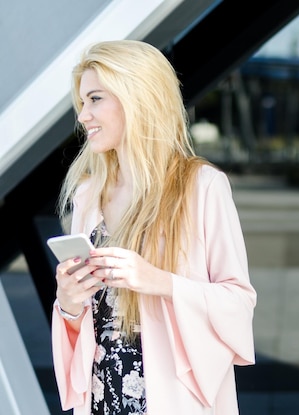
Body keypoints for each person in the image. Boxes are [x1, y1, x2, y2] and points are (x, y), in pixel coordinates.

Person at [50, 39, 256, 415]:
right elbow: (81, 324)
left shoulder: (202, 186)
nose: (83, 116)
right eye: (82, 103)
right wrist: (68, 302)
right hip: (101, 401)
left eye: (95, 99)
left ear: (136, 97)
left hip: (173, 402)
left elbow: (239, 305)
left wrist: (157, 280)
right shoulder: (88, 194)